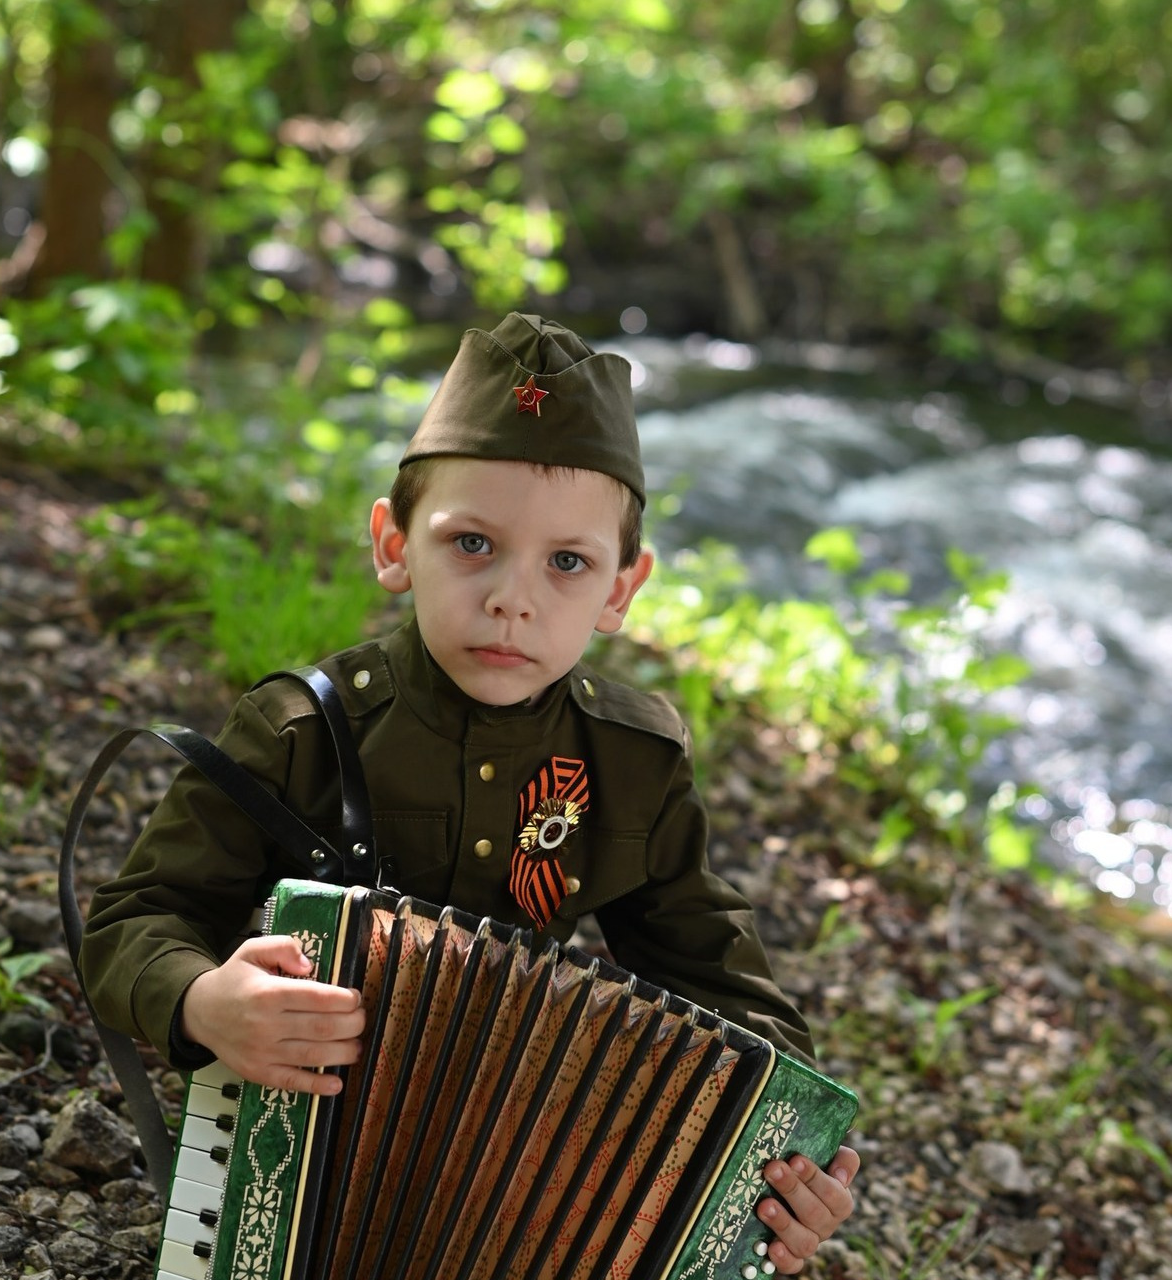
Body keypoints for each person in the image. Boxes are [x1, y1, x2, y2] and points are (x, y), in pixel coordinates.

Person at [80, 312, 859, 1273]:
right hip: (294, 1156)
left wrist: (789, 1152)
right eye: (473, 544)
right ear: (394, 542)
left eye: (567, 563)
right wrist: (202, 1000)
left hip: (512, 1199)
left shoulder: (633, 765)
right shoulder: (300, 732)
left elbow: (726, 988)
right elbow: (132, 920)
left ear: (622, 589)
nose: (512, 598)